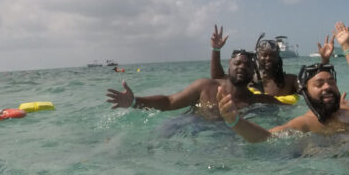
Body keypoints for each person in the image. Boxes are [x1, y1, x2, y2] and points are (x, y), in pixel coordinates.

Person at [217, 62, 349, 141]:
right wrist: (235, 121)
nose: (327, 87)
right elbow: (265, 137)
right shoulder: (305, 124)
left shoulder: (346, 110)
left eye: (331, 82)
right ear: (306, 92)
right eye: (319, 84)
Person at [107, 49, 280, 116]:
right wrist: (135, 101)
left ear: (254, 73)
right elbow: (169, 102)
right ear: (229, 68)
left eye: (248, 65)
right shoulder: (205, 87)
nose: (242, 67)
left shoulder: (260, 102)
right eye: (237, 63)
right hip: (188, 128)